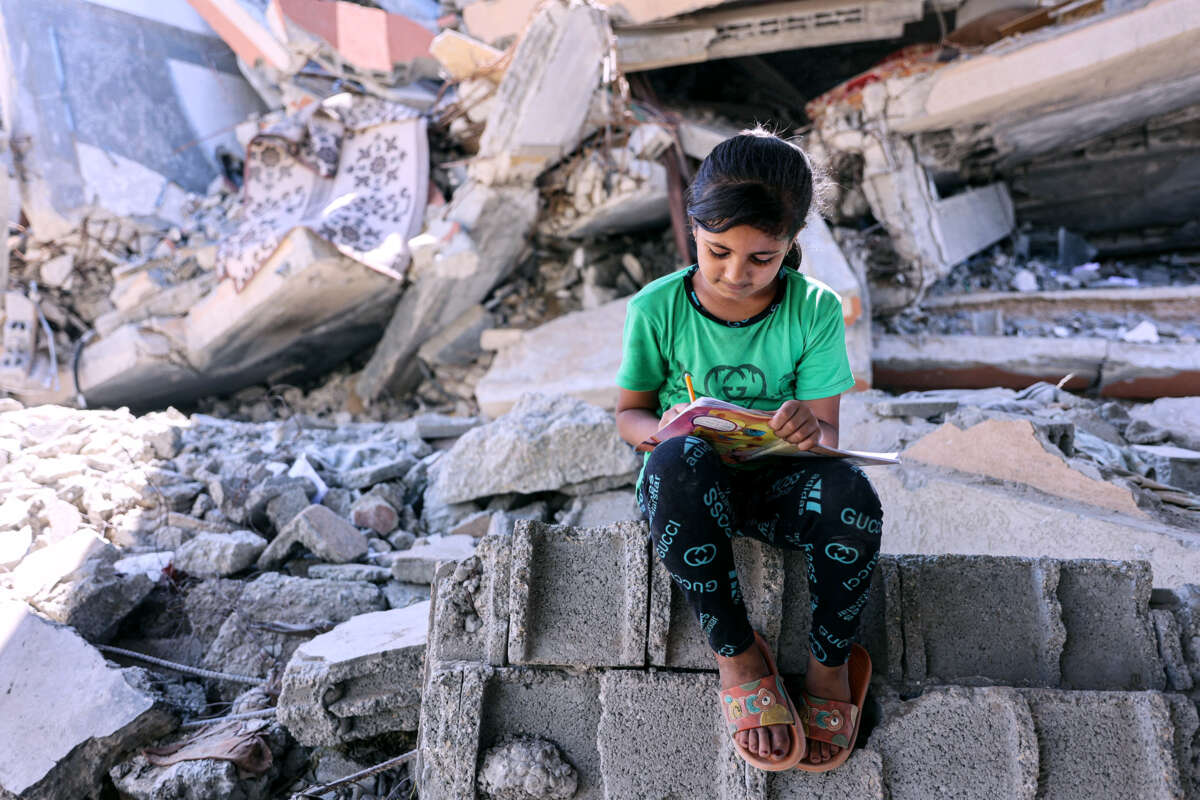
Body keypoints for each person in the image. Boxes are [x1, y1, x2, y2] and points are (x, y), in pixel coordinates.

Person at [614, 129, 883, 772]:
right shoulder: (657, 308)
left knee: (853, 495)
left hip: (779, 489)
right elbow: (629, 412)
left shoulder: (814, 309)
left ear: (791, 245)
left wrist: (805, 431)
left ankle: (828, 665)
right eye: (717, 252)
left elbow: (828, 437)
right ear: (694, 230)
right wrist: (660, 433)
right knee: (677, 463)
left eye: (761, 258)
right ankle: (736, 652)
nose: (736, 273)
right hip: (690, 493)